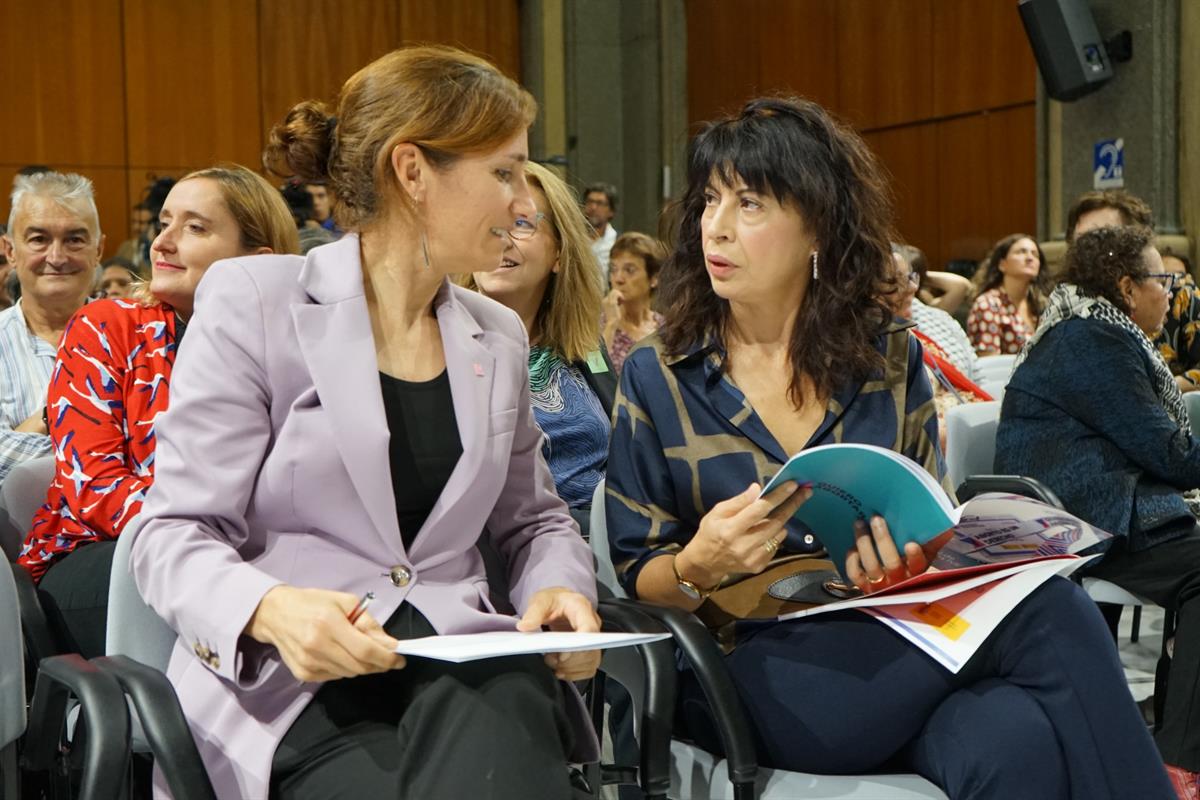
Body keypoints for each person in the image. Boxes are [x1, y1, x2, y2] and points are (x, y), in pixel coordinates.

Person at [605, 95, 1173, 800]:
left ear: (818, 227)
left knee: (1012, 737)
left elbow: (926, 523)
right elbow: (637, 576)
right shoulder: (660, 372)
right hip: (744, 668)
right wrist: (697, 565)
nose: (714, 228)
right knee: (1052, 613)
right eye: (710, 201)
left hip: (891, 638)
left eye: (748, 204)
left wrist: (903, 563)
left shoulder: (885, 356)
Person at [131, 46, 601, 800]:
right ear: (412, 171)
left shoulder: (497, 336)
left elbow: (535, 523)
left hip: (463, 665)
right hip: (297, 689)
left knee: (512, 693)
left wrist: (558, 588)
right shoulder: (256, 301)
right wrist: (271, 608)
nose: (523, 201)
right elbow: (171, 534)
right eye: (505, 171)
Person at [16, 166, 298, 660]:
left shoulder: (295, 346)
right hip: (103, 556)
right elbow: (94, 485)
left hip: (244, 558)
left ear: (259, 261)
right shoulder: (106, 325)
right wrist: (208, 553)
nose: (163, 242)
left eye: (194, 228)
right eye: (165, 222)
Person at [995, 224, 1200, 797]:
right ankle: (1179, 764)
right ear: (1127, 287)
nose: (1172, 292)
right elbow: (1169, 453)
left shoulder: (1104, 333)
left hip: (1111, 500)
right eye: (1163, 280)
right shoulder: (1092, 341)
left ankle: (1182, 732)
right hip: (1080, 518)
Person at [459, 160, 613, 534]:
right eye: (490, 220)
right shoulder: (444, 345)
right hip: (512, 552)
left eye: (522, 223)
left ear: (559, 253)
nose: (502, 236)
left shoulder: (582, 344)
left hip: (609, 542)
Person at [0, 171, 102, 483]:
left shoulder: (138, 338)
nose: (56, 257)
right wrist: (59, 410)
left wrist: (35, 429)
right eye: (39, 239)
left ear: (98, 251)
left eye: (74, 239)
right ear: (11, 251)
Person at [887, 247, 990, 449]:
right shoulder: (867, 347)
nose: (912, 288)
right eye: (894, 283)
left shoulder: (919, 334)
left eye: (912, 278)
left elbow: (974, 382)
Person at [898, 243, 981, 381]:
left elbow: (961, 285)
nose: (912, 286)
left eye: (912, 279)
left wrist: (918, 274)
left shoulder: (935, 314)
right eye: (893, 280)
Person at [967, 233, 1047, 355]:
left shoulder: (1042, 305)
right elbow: (989, 365)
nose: (1030, 258)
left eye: (1035, 254)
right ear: (1002, 264)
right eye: (1021, 252)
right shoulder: (987, 304)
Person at [601, 231, 665, 376]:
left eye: (629, 270)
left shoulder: (666, 329)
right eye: (613, 269)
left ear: (654, 278)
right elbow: (594, 371)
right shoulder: (595, 327)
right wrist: (611, 325)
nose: (618, 279)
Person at [582, 181, 618, 277]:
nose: (593, 207)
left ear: (611, 211)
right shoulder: (573, 239)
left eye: (600, 203)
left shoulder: (617, 243)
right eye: (590, 202)